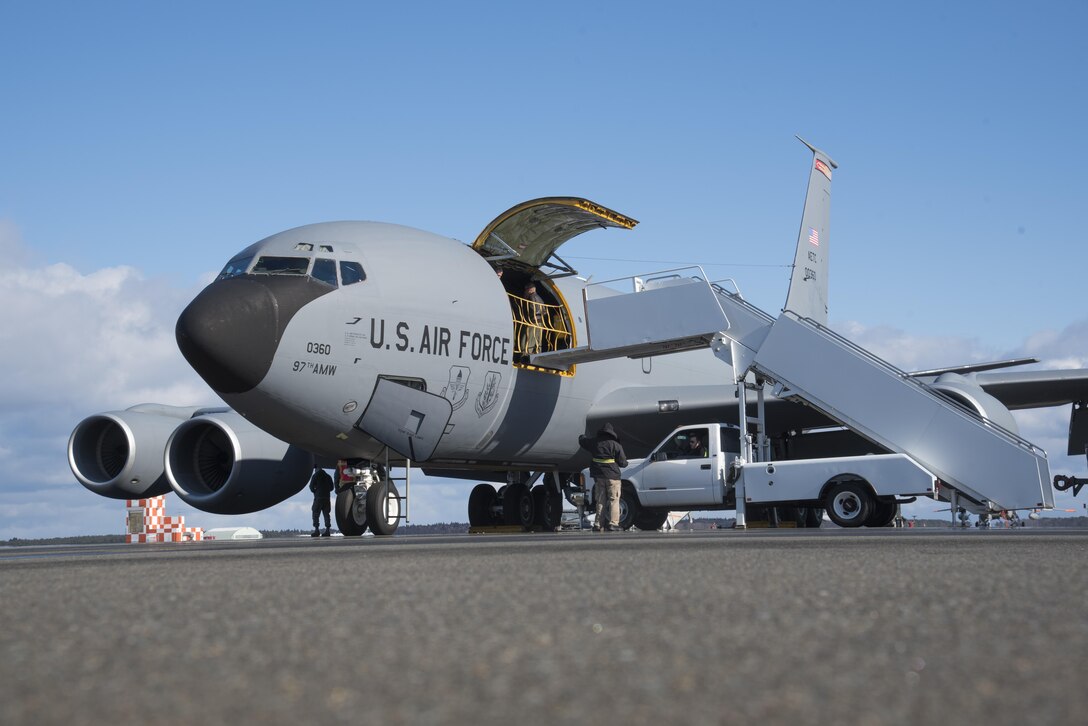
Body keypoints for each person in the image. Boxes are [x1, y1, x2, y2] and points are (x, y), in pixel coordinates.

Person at [578, 422, 628, 531]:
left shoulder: (594, 443)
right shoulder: (615, 445)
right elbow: (623, 463)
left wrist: (582, 436)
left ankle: (597, 525)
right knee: (613, 500)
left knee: (600, 500)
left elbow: (582, 441)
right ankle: (613, 524)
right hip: (613, 477)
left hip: (599, 477)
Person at [519, 280, 546, 358]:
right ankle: (537, 355)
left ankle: (525, 355)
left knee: (528, 339)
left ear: (530, 289)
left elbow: (532, 309)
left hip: (533, 321)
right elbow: (544, 311)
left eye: (526, 289)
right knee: (537, 340)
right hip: (540, 322)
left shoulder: (532, 297)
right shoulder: (540, 298)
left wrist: (528, 318)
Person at [309, 467, 334, 537]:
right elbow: (332, 487)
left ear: (316, 469)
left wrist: (316, 491)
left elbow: (311, 487)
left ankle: (317, 530)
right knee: (326, 514)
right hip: (327, 498)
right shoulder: (328, 476)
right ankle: (328, 530)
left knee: (315, 513)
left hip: (318, 498)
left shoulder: (315, 476)